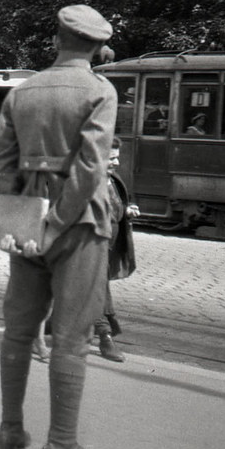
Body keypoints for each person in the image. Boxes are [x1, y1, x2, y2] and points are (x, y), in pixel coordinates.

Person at [0, 4, 117, 449]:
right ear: (97, 48)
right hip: (78, 226)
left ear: (57, 39)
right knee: (70, 337)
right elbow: (91, 167)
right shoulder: (100, 90)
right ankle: (61, 444)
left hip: (28, 223)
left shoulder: (23, 92)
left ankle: (9, 428)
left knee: (19, 330)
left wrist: (22, 220)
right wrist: (57, 222)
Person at [95, 136, 139, 362]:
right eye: (111, 158)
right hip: (88, 248)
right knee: (97, 291)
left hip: (107, 247)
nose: (116, 163)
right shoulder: (85, 183)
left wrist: (127, 210)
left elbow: (115, 207)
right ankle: (105, 337)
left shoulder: (111, 180)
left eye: (117, 158)